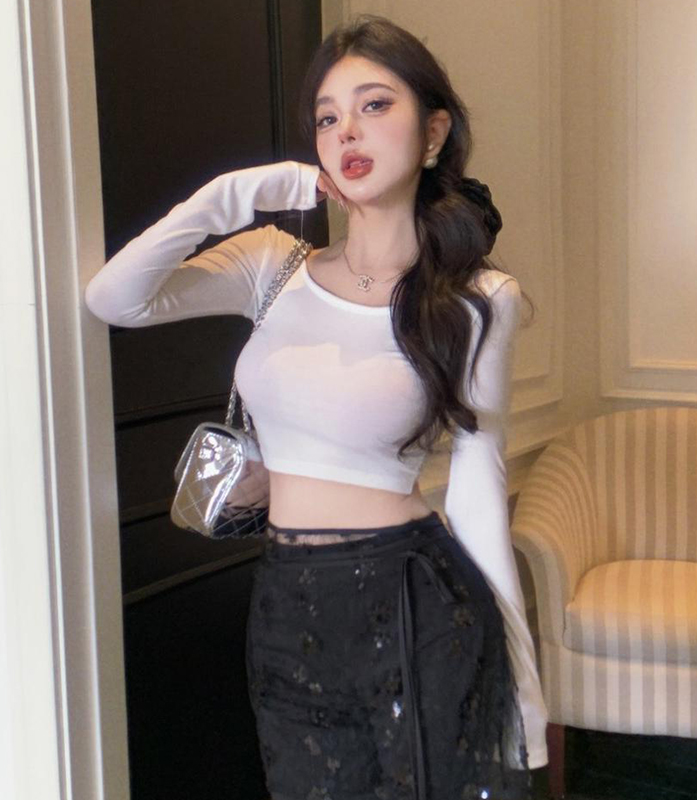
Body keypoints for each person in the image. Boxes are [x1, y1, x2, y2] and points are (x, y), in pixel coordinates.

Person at [84, 13, 548, 800]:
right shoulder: (273, 265)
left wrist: (524, 696)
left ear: (433, 133)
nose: (347, 132)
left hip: (412, 600)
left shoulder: (477, 298)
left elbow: (478, 489)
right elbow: (115, 299)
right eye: (327, 118)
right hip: (284, 601)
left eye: (375, 105)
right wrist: (235, 195)